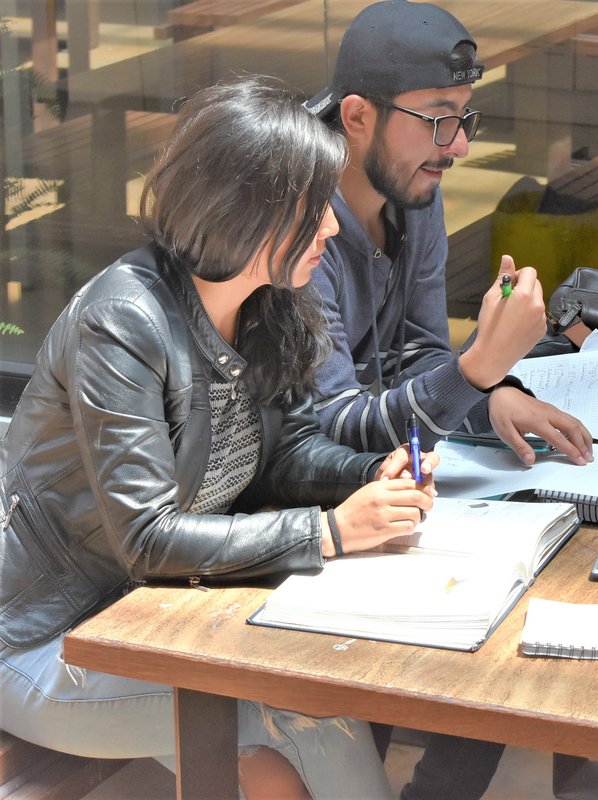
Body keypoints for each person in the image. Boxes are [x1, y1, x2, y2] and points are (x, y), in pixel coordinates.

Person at [0, 78, 439, 799]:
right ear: (246, 211)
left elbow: (288, 453)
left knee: (293, 723)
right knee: (292, 708)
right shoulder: (123, 322)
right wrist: (330, 532)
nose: (331, 229)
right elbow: (147, 537)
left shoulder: (268, 303)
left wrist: (371, 477)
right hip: (49, 639)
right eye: (312, 210)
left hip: (159, 618)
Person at [305, 0, 593, 468]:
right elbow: (333, 428)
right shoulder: (297, 223)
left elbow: (415, 353)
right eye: (438, 120)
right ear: (357, 116)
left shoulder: (413, 193)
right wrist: (479, 370)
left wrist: (490, 397)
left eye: (463, 118)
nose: (458, 145)